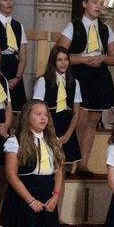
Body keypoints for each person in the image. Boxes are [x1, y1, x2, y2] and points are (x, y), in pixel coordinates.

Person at [3, 97, 64, 227]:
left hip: (47, 195)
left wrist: (55, 196)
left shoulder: (52, 140)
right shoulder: (15, 140)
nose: (43, 118)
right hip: (25, 196)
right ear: (28, 116)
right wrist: (30, 200)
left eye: (46, 114)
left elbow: (58, 171)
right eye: (38, 114)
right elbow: (11, 175)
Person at [62, 0, 114, 172]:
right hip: (79, 75)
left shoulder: (105, 30)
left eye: (101, 3)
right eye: (95, 2)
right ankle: (70, 162)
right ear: (85, 4)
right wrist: (82, 59)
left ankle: (83, 164)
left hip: (98, 76)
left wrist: (102, 58)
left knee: (93, 120)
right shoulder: (73, 27)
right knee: (79, 119)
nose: (99, 6)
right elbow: (59, 55)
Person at [32, 43, 82, 171]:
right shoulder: (43, 81)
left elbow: (76, 113)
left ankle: (60, 192)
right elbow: (35, 108)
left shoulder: (74, 83)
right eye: (59, 60)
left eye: (66, 59)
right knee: (47, 166)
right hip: (48, 124)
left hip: (66, 125)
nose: (63, 63)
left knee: (62, 169)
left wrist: (67, 135)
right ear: (53, 61)